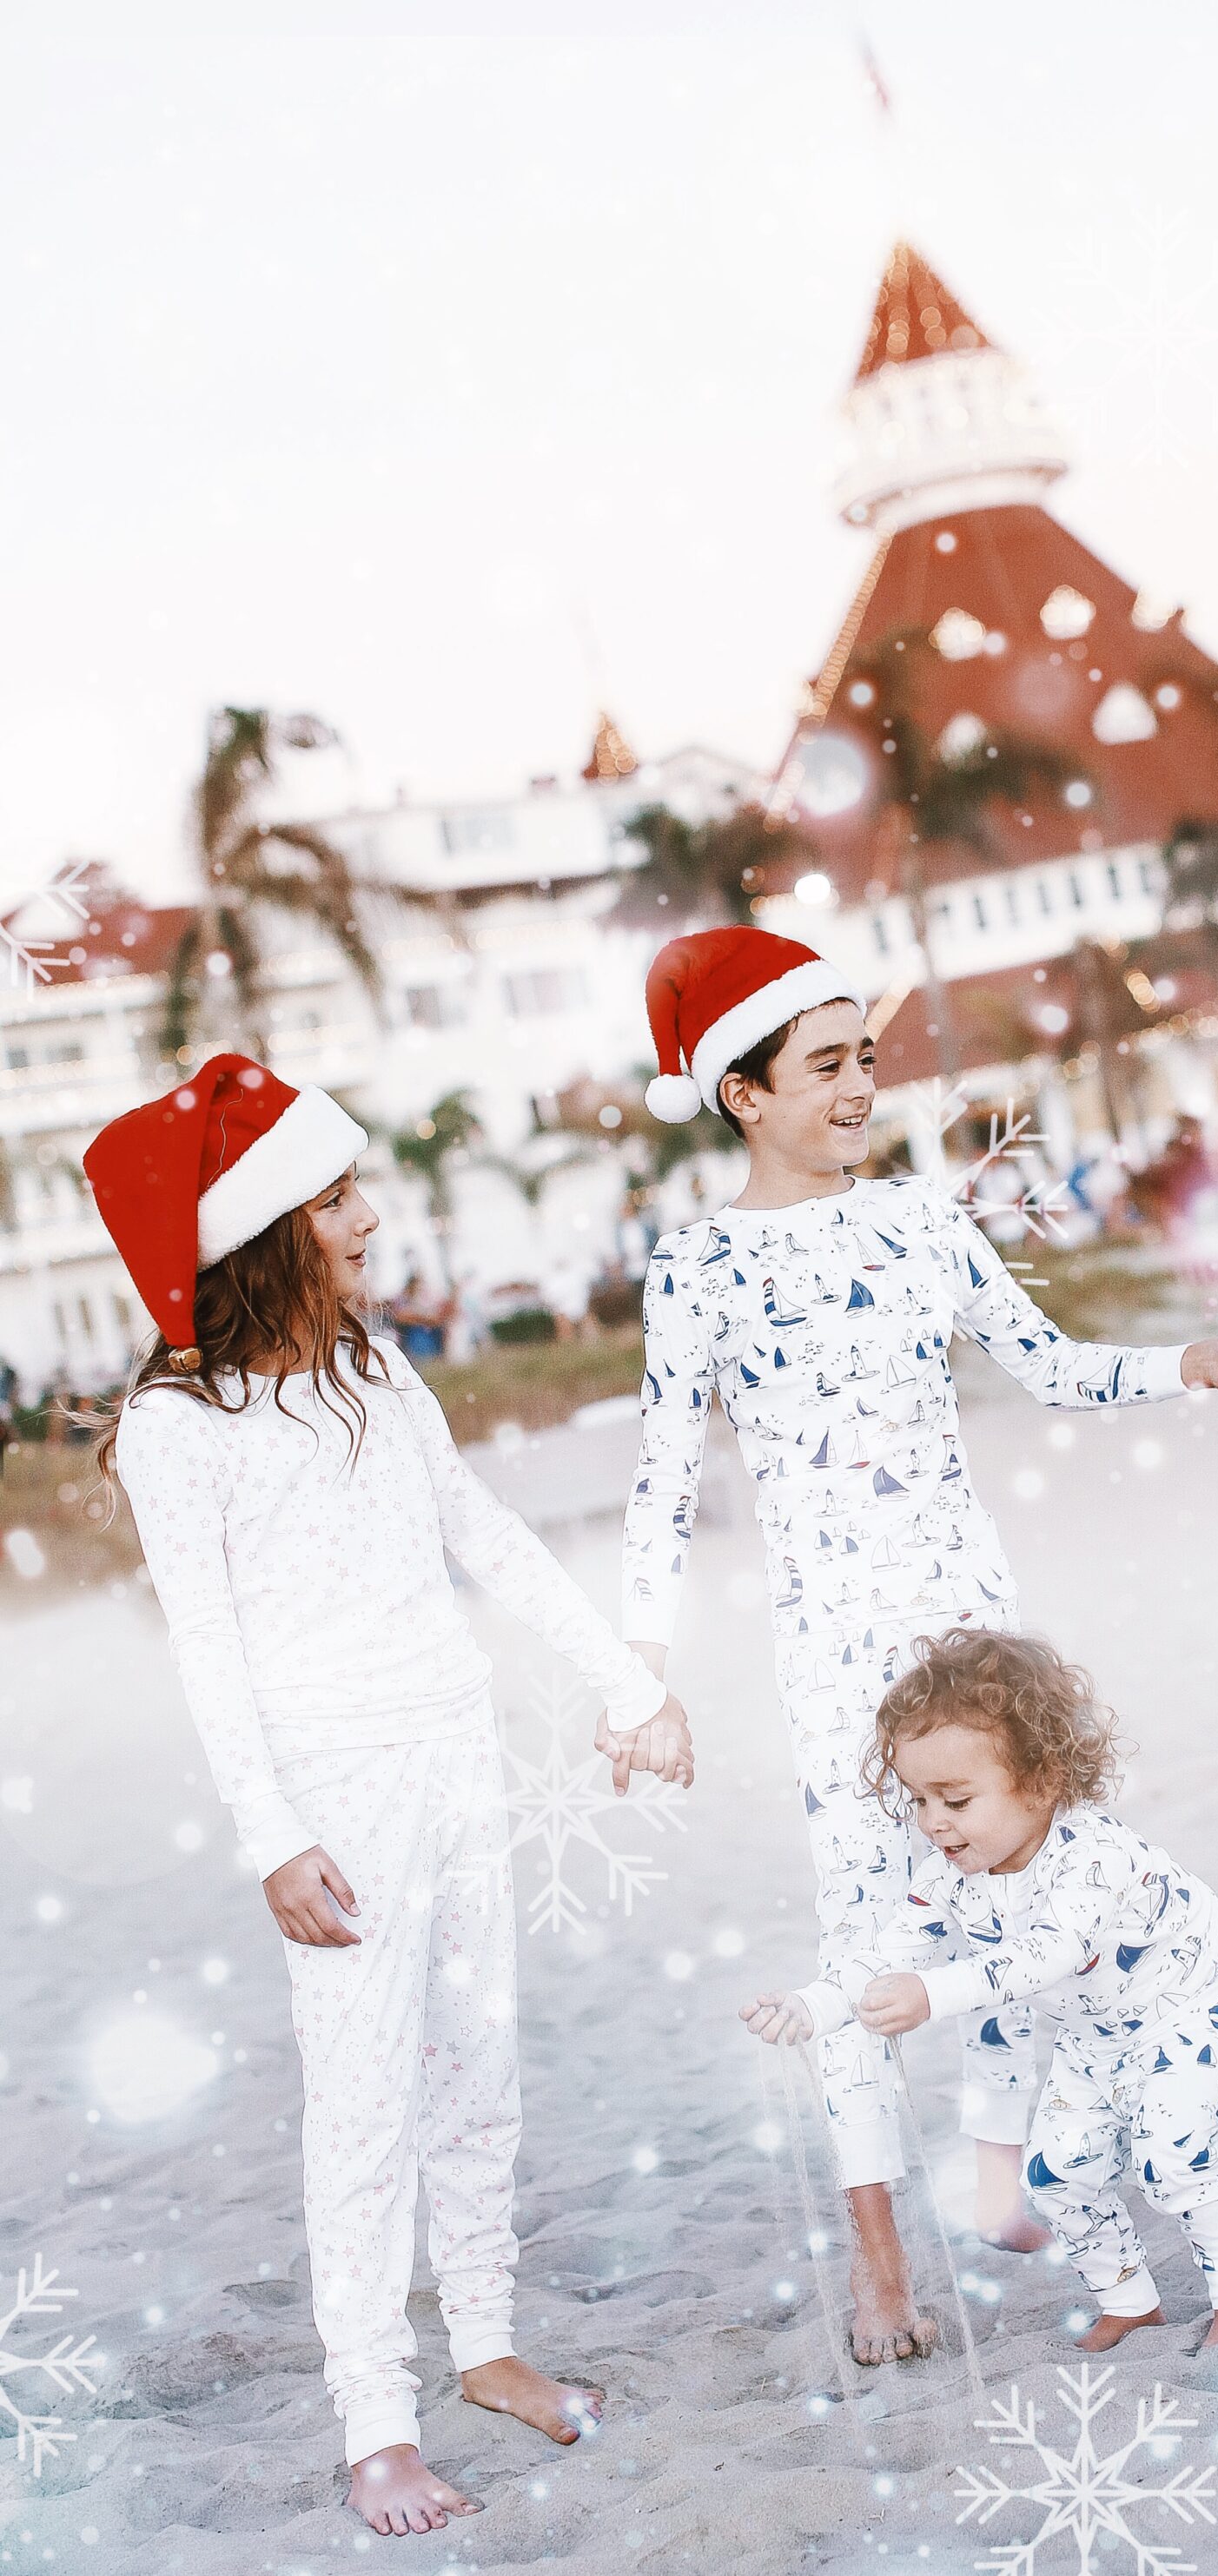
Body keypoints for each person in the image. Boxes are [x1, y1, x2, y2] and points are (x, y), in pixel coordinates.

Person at [623, 925, 1218, 2362]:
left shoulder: (923, 1220)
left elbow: (1053, 1367)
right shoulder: (694, 1264)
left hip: (976, 1634)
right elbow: (660, 1491)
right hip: (834, 1656)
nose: (856, 1089)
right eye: (823, 1065)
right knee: (862, 1937)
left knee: (1037, 1903)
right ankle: (880, 2260)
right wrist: (640, 1681)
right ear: (742, 1092)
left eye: (864, 1060)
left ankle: (1026, 2181)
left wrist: (1189, 1365)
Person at [86, 1054, 692, 2534]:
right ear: (260, 1234)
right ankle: (376, 2424)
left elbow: (481, 1532)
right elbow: (211, 1654)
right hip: (332, 1795)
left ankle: (483, 2344)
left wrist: (625, 1683)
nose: (366, 1217)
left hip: (454, 1752)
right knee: (360, 2106)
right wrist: (273, 1838)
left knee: (477, 2067)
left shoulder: (375, 1367)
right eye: (334, 1196)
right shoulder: (183, 1427)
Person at [741, 1628, 1218, 2349]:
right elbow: (882, 1954)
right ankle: (1130, 2303)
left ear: (1043, 1780)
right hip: (1096, 2036)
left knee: (1173, 2158)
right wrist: (812, 2006)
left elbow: (1044, 1957)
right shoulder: (950, 1879)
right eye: (919, 1800)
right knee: (1056, 2174)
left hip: (1193, 2007)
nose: (934, 1822)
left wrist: (932, 1995)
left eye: (957, 1800)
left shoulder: (1091, 1857)